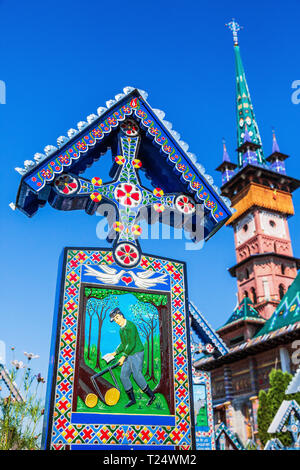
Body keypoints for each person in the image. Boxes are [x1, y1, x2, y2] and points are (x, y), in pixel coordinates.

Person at [109, 307, 156, 408]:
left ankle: (151, 396)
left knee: (136, 375)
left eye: (117, 318)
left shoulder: (130, 326)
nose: (117, 321)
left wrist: (123, 357)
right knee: (123, 376)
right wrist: (115, 353)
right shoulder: (121, 330)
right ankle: (132, 399)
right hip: (128, 353)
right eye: (115, 320)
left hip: (136, 353)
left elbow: (131, 344)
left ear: (121, 316)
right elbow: (124, 344)